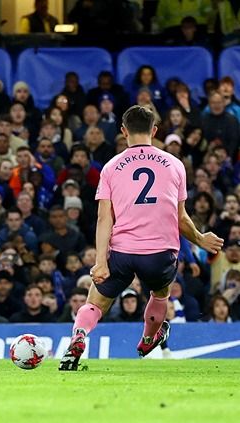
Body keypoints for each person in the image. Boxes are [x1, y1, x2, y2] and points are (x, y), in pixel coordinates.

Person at [59, 105, 224, 371]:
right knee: (160, 294)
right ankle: (149, 338)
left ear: (123, 131)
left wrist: (101, 261)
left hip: (123, 252)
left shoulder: (112, 167)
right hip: (161, 254)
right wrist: (199, 238)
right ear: (154, 131)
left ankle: (79, 337)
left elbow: (104, 219)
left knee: (95, 301)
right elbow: (180, 217)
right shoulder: (175, 165)